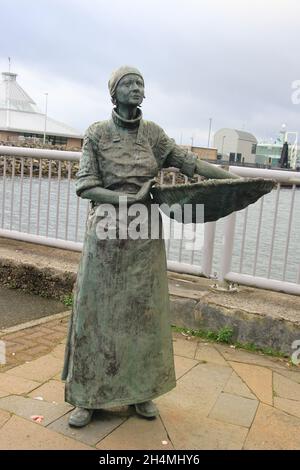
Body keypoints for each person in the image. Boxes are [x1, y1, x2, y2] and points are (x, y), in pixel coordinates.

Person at [62, 66, 238, 427]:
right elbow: (85, 186)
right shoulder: (96, 133)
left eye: (140, 83)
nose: (136, 88)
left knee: (144, 314)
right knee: (95, 314)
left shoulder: (154, 135)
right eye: (128, 83)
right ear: (114, 92)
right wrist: (125, 200)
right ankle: (87, 396)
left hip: (144, 237)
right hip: (107, 231)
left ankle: (142, 391)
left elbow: (191, 165)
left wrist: (238, 181)